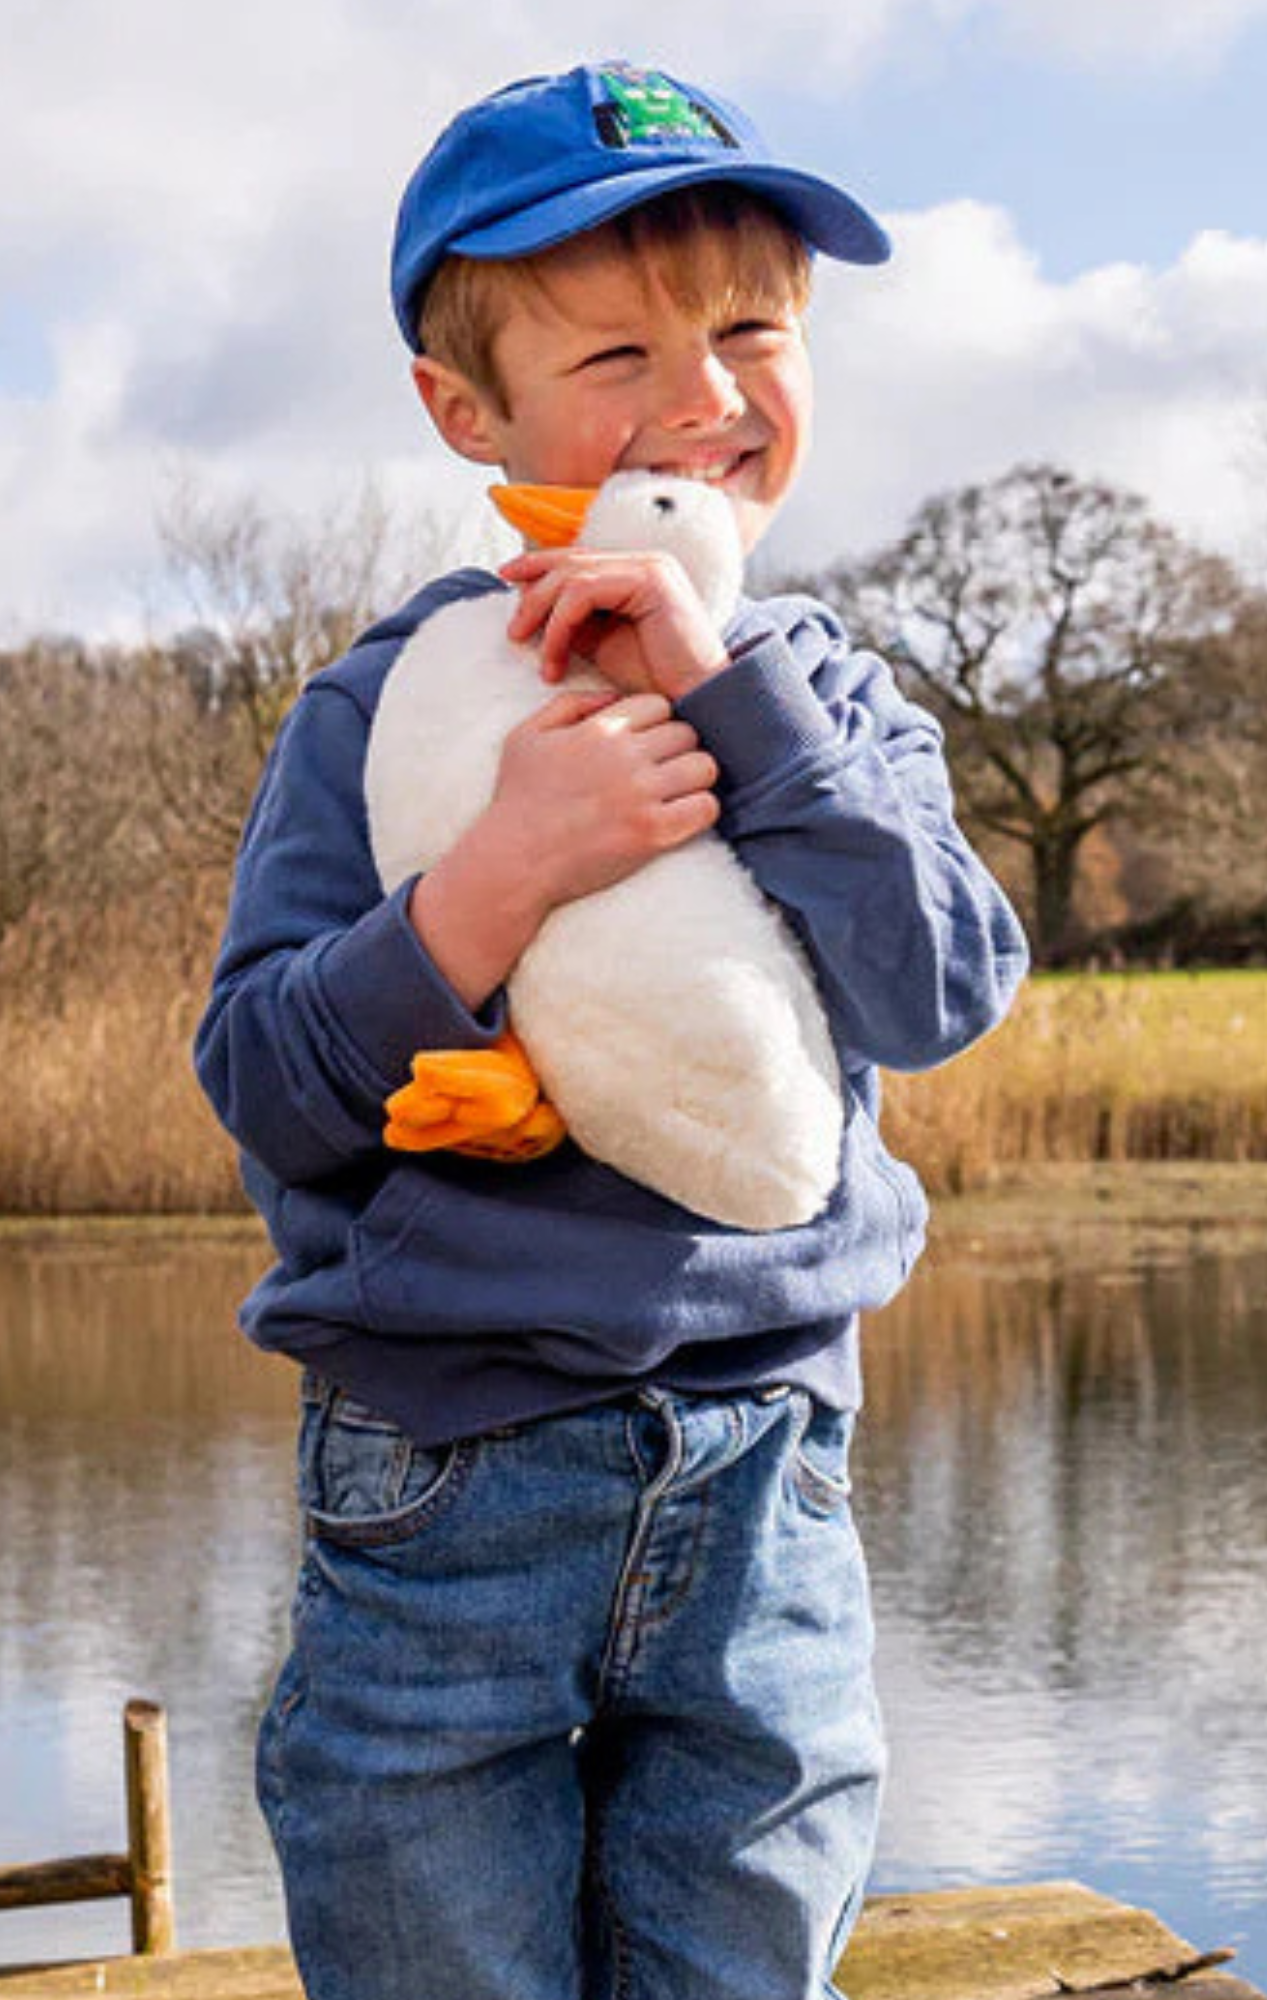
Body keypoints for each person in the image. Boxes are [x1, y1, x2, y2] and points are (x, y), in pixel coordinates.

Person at [195, 59, 1027, 2000]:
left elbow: (940, 985)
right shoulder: (389, 706)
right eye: (620, 350)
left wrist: (736, 704)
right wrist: (501, 871)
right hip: (445, 1468)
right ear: (463, 409)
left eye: (753, 328)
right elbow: (267, 1089)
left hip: (768, 1471)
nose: (704, 397)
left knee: (738, 1960)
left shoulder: (822, 690)